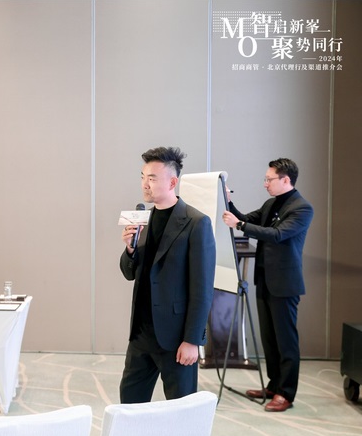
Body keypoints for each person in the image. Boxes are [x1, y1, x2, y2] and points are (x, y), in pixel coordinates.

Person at [119, 147, 216, 403]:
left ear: (172, 182)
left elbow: (202, 289)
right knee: (130, 404)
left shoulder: (196, 223)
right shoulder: (143, 220)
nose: (145, 184)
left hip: (176, 339)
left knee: (180, 410)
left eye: (152, 178)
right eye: (143, 177)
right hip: (141, 335)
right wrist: (130, 249)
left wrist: (192, 340)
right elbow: (129, 273)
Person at [222, 158, 313, 412]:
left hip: (284, 284)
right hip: (264, 280)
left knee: (286, 341)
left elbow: (278, 235)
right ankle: (274, 386)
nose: (265, 184)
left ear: (286, 180)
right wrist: (228, 202)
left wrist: (240, 225)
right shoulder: (271, 204)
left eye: (269, 179)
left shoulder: (301, 208)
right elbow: (246, 219)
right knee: (269, 339)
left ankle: (286, 393)